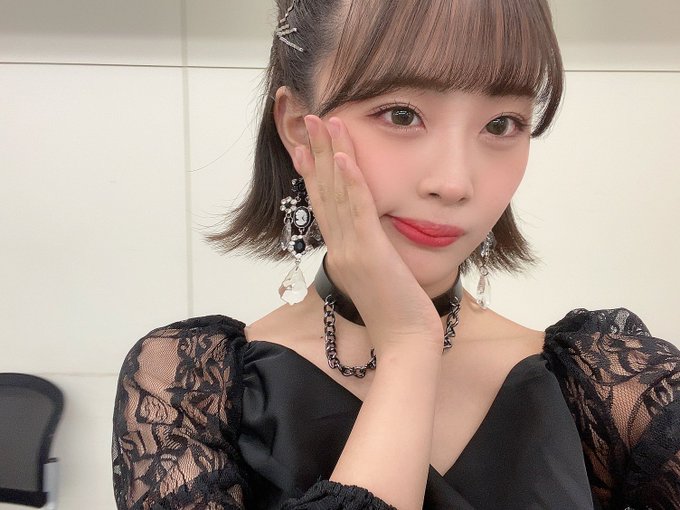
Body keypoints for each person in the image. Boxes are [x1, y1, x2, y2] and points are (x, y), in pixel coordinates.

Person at [111, 0, 680, 508]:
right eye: (401, 115)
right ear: (298, 129)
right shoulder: (188, 392)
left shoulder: (616, 390)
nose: (454, 182)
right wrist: (409, 348)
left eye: (501, 124)